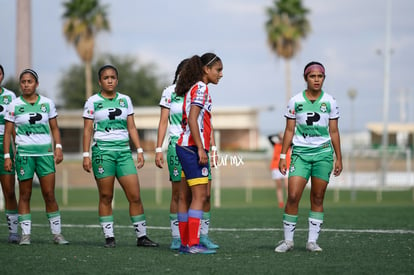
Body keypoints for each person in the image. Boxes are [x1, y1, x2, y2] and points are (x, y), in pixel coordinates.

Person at [82, 64, 158, 248]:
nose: (110, 80)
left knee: (135, 196)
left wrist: (139, 150)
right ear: (100, 81)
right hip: (103, 153)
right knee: (106, 196)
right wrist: (86, 154)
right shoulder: (92, 102)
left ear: (117, 80)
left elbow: (131, 126)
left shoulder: (125, 100)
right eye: (106, 78)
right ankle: (109, 237)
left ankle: (142, 237)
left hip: (124, 153)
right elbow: (87, 130)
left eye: (113, 77)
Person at [274, 61, 342, 253]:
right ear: (306, 78)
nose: (316, 80)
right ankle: (288, 241)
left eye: (320, 76)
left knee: (318, 197)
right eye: (312, 76)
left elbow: (334, 132)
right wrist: (282, 156)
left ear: (324, 78)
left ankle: (312, 241)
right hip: (300, 154)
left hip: (323, 154)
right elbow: (289, 130)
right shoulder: (295, 101)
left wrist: (339, 158)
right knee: (293, 196)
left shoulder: (330, 101)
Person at [155, 59, 219, 251]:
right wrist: (159, 148)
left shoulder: (195, 90)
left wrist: (212, 148)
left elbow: (206, 122)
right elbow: (166, 121)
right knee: (182, 194)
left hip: (194, 144)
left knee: (204, 194)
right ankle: (182, 240)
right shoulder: (173, 91)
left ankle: (199, 237)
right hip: (184, 145)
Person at [3, 69, 69, 245]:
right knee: (25, 194)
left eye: (29, 81)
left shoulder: (47, 103)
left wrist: (59, 147)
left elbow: (55, 128)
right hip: (24, 154)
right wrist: (8, 156)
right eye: (23, 82)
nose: (26, 85)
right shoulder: (14, 105)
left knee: (49, 194)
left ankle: (57, 234)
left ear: (36, 84)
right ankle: (25, 235)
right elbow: (8, 132)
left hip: (45, 154)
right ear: (20, 85)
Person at [175, 53, 223, 254]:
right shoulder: (201, 88)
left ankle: (186, 243)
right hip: (191, 148)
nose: (221, 74)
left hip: (186, 146)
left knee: (188, 196)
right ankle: (193, 244)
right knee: (200, 196)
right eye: (218, 70)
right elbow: (193, 119)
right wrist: (201, 148)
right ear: (206, 69)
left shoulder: (194, 87)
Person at [0, 65, 19, 243]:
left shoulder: (10, 97)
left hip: (3, 148)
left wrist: (17, 147)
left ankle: (14, 232)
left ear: (2, 76)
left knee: (9, 191)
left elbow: (12, 126)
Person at [268, 132, 291, 209]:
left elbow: (293, 139)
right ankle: (280, 202)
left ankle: (289, 202)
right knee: (279, 186)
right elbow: (269, 137)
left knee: (287, 186)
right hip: (275, 167)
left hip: (286, 166)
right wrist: (278, 135)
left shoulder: (288, 144)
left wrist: (285, 136)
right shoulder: (275, 144)